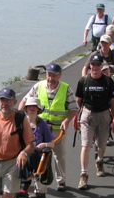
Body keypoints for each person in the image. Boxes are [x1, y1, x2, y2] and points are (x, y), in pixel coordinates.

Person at [19, 62, 78, 191]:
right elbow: (24, 101)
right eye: (48, 75)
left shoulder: (66, 89)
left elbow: (74, 109)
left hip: (57, 129)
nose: (50, 78)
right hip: (40, 128)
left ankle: (61, 181)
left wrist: (67, 120)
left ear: (59, 76)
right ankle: (39, 187)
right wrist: (21, 117)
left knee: (59, 156)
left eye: (53, 76)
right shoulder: (38, 86)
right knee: (39, 157)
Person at [75, 54, 114, 190]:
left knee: (101, 144)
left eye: (97, 65)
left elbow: (112, 102)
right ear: (90, 66)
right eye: (92, 65)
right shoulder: (83, 81)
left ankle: (99, 161)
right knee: (85, 146)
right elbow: (78, 101)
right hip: (87, 115)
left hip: (104, 114)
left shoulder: (108, 81)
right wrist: (76, 118)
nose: (94, 67)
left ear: (102, 66)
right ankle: (83, 175)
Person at [18, 97, 54, 198]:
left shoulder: (42, 124)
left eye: (34, 106)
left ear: (38, 109)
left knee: (30, 157)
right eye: (29, 106)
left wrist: (43, 144)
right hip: (20, 151)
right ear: (26, 108)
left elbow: (52, 144)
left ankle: (25, 185)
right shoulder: (20, 122)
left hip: (36, 154)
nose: (32, 108)